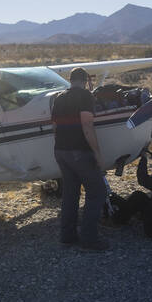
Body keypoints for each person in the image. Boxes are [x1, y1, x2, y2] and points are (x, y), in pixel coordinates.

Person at [51, 67, 108, 251]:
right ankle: (89, 239)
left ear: (70, 80)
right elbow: (87, 125)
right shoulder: (85, 97)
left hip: (60, 150)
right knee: (97, 192)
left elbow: (55, 126)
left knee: (70, 194)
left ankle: (67, 236)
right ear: (84, 80)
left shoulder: (59, 97)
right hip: (79, 152)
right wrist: (98, 153)